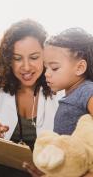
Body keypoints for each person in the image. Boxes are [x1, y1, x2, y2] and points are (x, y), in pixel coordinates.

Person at [0, 19, 63, 177]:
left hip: (41, 169)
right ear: (8, 59)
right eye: (17, 58)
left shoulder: (59, 83)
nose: (26, 67)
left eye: (34, 57)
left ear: (45, 55)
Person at [43, 28, 93, 176]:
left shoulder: (86, 90)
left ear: (80, 68)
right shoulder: (70, 95)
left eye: (54, 67)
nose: (46, 73)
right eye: (46, 67)